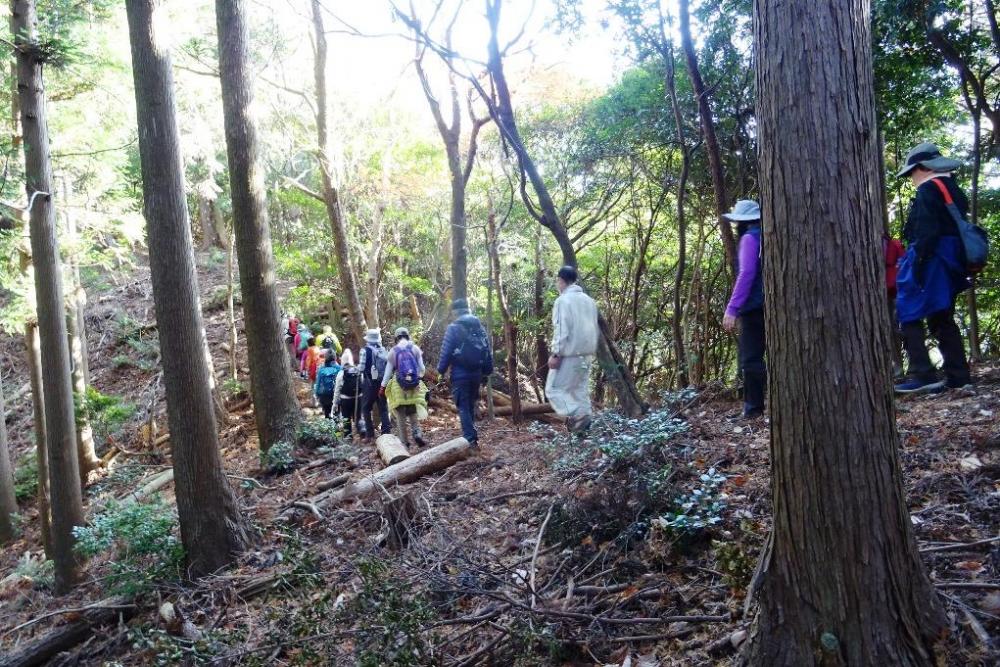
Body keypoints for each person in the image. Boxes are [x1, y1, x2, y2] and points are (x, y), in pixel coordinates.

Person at [893, 142, 973, 393]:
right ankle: (958, 376)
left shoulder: (929, 189)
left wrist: (917, 263)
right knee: (941, 315)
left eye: (912, 172)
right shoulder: (952, 189)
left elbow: (928, 229)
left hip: (932, 256)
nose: (912, 177)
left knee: (908, 311)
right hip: (950, 256)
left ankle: (923, 373)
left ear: (923, 168)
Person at [721, 200, 766, 419]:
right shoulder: (765, 235)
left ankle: (753, 409)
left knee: (750, 359)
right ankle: (754, 406)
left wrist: (732, 308)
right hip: (767, 306)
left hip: (753, 307)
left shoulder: (749, 238)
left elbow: (746, 274)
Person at [545, 267, 598, 433]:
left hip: (569, 355)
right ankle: (584, 428)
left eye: (557, 281)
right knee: (579, 390)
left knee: (553, 390)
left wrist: (556, 353)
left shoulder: (563, 301)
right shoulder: (589, 300)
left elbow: (561, 330)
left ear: (561, 280)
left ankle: (580, 415)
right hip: (587, 354)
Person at [438, 298, 493, 446]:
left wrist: (440, 371)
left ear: (455, 312)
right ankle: (471, 437)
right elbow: (487, 351)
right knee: (469, 405)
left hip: (460, 375)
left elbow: (446, 352)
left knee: (463, 407)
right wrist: (487, 372)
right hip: (476, 374)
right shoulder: (479, 327)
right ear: (467, 310)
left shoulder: (453, 328)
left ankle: (470, 440)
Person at [381, 328, 428, 449]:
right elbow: (422, 368)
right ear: (408, 336)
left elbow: (388, 372)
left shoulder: (393, 351)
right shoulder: (415, 348)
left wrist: (383, 386)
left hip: (399, 385)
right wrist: (415, 378)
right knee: (412, 411)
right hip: (413, 385)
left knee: (400, 415)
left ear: (396, 338)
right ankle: (417, 433)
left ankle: (404, 443)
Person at [359, 329, 391, 439]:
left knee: (366, 407)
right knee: (383, 407)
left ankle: (370, 434)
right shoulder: (383, 350)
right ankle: (386, 432)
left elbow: (362, 368)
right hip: (382, 382)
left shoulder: (365, 351)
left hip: (370, 383)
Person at [884, 233, 906, 378]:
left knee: (892, 329)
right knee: (895, 329)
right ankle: (898, 368)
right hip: (898, 289)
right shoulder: (893, 243)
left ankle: (897, 369)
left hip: (889, 291)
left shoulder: (888, 244)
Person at [333, 349, 363, 436]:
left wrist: (335, 403)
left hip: (345, 399)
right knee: (358, 417)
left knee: (346, 418)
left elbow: (337, 390)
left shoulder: (341, 373)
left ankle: (348, 436)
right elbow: (362, 384)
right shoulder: (357, 370)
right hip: (358, 398)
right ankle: (362, 432)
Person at [314, 350, 341, 419]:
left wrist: (317, 394)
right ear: (335, 358)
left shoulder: (321, 369)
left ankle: (329, 427)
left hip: (325, 395)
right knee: (336, 414)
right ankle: (336, 426)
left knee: (327, 414)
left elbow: (318, 384)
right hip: (336, 394)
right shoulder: (339, 368)